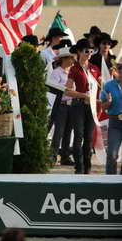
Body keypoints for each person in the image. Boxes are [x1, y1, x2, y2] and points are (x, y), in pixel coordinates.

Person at [65, 38, 101, 174]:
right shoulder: (74, 69)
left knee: (89, 137)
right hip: (78, 105)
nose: (89, 54)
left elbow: (101, 86)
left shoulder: (95, 68)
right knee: (79, 135)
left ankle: (88, 166)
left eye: (92, 51)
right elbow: (67, 90)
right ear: (79, 52)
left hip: (91, 106)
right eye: (86, 51)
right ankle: (79, 167)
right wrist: (83, 95)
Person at [47, 45, 76, 165]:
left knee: (68, 131)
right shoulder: (56, 72)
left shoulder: (72, 72)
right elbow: (54, 89)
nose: (72, 60)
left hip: (71, 104)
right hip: (61, 105)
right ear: (64, 59)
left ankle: (65, 156)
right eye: (70, 58)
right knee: (59, 131)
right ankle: (53, 155)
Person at [100, 63, 122, 174]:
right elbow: (102, 107)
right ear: (117, 71)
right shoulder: (109, 85)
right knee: (112, 154)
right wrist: (108, 103)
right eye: (120, 69)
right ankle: (109, 181)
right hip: (115, 122)